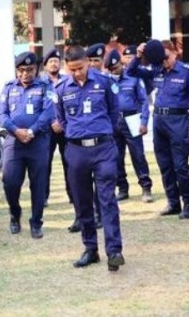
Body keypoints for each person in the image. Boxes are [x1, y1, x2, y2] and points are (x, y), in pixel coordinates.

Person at [53, 45, 125, 271]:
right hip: (76, 151)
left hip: (103, 149)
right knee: (82, 202)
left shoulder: (105, 83)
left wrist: (101, 132)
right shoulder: (61, 89)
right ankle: (90, 249)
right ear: (67, 67)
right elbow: (61, 120)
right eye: (72, 69)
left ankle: (114, 251)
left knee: (107, 200)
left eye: (81, 68)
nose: (77, 73)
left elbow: (115, 114)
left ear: (88, 62)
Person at [127, 40, 189, 219]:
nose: (164, 61)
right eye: (160, 59)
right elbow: (131, 72)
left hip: (178, 121)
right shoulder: (156, 70)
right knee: (164, 165)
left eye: (166, 57)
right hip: (159, 121)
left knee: (180, 165)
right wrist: (138, 56)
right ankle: (173, 203)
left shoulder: (187, 71)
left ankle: (188, 204)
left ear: (175, 53)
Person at [0, 52, 54, 239]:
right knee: (10, 181)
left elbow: (48, 113)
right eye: (21, 70)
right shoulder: (8, 88)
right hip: (14, 141)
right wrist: (17, 131)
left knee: (38, 183)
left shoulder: (46, 86)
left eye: (29, 70)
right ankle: (15, 214)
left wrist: (30, 132)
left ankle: (36, 222)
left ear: (36, 69)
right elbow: (2, 115)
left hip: (37, 141)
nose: (25, 74)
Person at [105, 50, 153, 202]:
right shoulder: (106, 81)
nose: (114, 70)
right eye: (111, 69)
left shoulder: (133, 78)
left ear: (121, 63)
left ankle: (146, 188)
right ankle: (122, 188)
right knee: (116, 157)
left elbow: (144, 101)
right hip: (114, 123)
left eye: (116, 67)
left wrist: (144, 122)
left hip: (132, 119)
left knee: (138, 155)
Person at [41, 49, 76, 228]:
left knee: (69, 162)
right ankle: (44, 196)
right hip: (47, 129)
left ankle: (72, 194)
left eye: (56, 61)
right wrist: (52, 121)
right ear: (45, 66)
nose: (54, 64)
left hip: (65, 128)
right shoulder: (40, 84)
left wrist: (61, 122)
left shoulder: (67, 81)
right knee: (44, 164)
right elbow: (42, 107)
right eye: (51, 61)